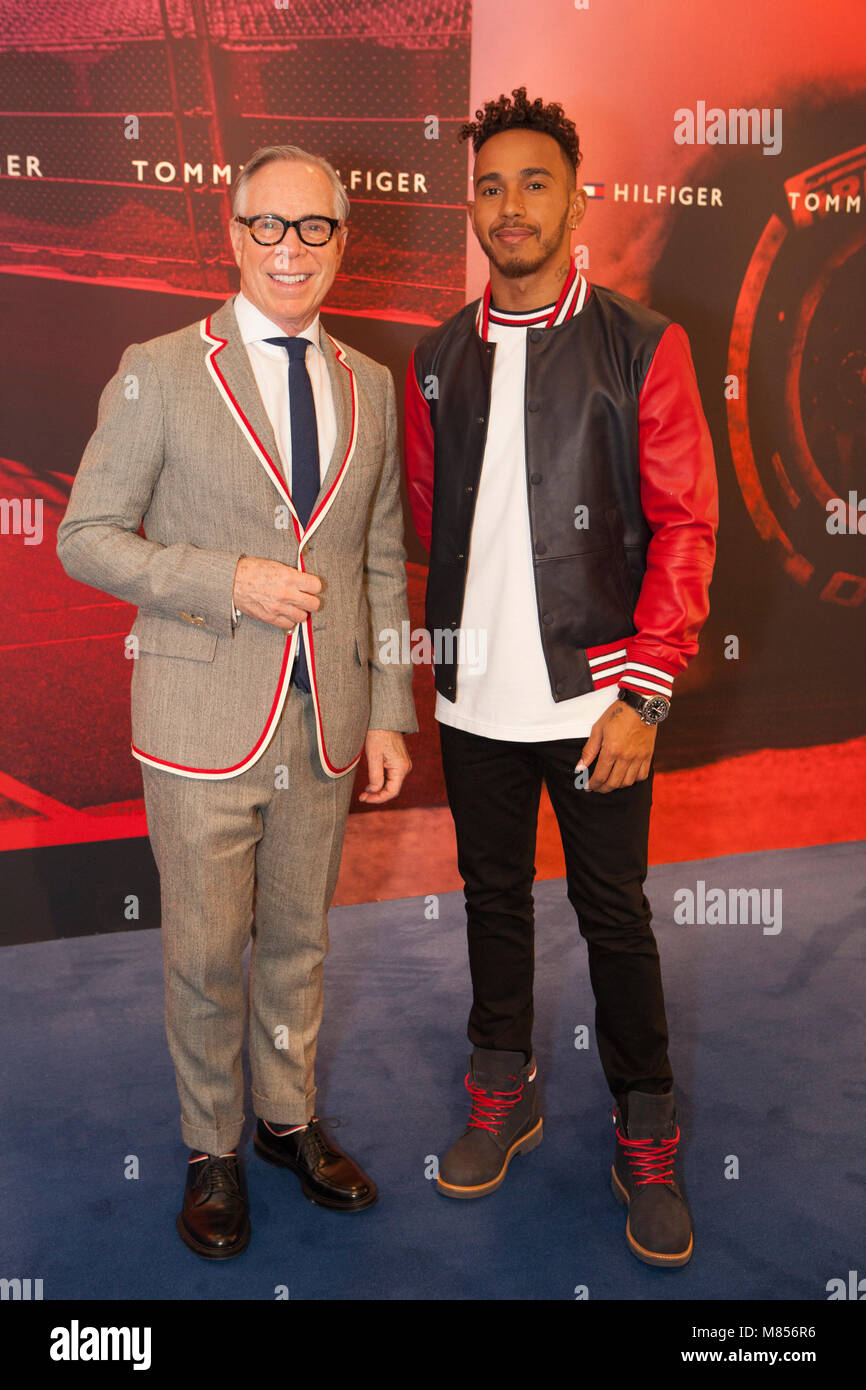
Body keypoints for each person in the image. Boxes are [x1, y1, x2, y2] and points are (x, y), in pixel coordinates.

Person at [57, 144, 416, 1259]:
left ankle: (284, 1122)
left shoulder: (370, 384)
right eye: (269, 225)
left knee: (297, 944)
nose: (289, 249)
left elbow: (381, 558)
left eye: (314, 228)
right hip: (200, 717)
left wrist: (391, 706)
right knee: (207, 951)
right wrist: (226, 579)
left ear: (342, 242)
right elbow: (84, 537)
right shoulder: (158, 367)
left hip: (325, 723)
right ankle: (209, 1146)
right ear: (231, 231)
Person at [404, 89, 718, 1267]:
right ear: (470, 206)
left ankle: (645, 1130)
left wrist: (641, 694)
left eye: (533, 182)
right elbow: (434, 527)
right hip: (472, 698)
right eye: (489, 185)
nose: (509, 205)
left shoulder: (641, 343)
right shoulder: (438, 354)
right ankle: (504, 1091)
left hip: (595, 702)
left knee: (613, 915)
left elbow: (686, 525)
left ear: (575, 199)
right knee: (491, 901)